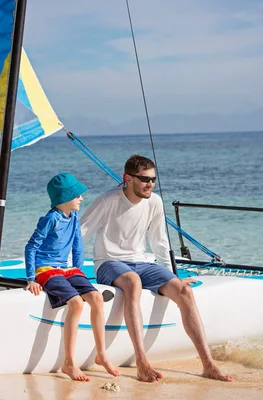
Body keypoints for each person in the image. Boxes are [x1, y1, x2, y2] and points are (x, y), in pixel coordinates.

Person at [81, 155, 231, 383]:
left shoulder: (155, 202)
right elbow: (80, 233)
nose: (150, 184)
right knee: (133, 282)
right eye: (144, 179)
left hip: (140, 262)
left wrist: (173, 276)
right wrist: (66, 269)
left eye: (153, 179)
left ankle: (208, 364)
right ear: (127, 178)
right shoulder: (107, 200)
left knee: (183, 291)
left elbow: (159, 241)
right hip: (108, 262)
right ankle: (142, 361)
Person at [24, 172, 119, 382]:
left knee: (95, 297)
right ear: (65, 198)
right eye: (77, 195)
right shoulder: (50, 219)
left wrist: (78, 272)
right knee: (76, 303)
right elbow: (31, 247)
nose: (81, 199)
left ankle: (101, 354)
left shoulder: (74, 216)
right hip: (46, 268)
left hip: (66, 269)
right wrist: (31, 278)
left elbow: (77, 245)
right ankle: (69, 362)